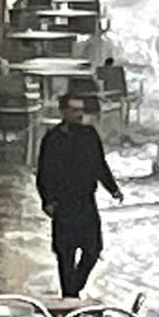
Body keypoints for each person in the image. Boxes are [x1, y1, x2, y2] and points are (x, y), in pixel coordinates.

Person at [35, 91, 123, 297]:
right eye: (74, 110)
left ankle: (75, 288)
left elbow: (99, 165)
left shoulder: (89, 135)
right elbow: (44, 172)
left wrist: (113, 188)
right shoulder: (53, 139)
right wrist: (47, 201)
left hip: (85, 201)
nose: (79, 115)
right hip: (63, 204)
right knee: (65, 254)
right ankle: (69, 297)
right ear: (63, 111)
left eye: (81, 110)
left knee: (93, 250)